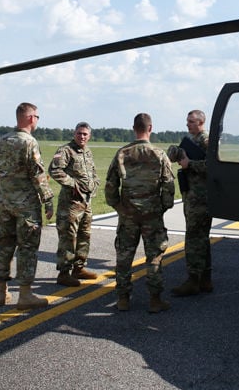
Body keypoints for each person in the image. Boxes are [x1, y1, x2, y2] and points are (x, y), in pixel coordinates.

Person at [105, 113, 176, 313]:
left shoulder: (122, 153)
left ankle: (123, 299)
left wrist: (118, 206)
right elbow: (168, 186)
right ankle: (154, 300)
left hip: (128, 214)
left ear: (134, 128)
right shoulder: (159, 154)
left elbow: (111, 185)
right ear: (150, 128)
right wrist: (162, 206)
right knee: (154, 257)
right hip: (152, 215)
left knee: (124, 257)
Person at [0, 102, 53, 310]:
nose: (37, 120)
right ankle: (25, 295)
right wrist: (48, 199)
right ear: (30, 118)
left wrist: (3, 195)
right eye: (36, 116)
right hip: (26, 206)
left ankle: (1, 292)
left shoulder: (1, 141)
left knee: (5, 246)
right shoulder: (29, 142)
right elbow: (37, 174)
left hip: (6, 203)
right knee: (27, 248)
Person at [49, 122, 100, 287]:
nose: (82, 136)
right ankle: (64, 273)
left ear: (89, 136)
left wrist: (95, 185)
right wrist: (73, 184)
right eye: (79, 133)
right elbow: (55, 170)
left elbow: (92, 173)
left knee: (85, 235)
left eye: (85, 134)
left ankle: (79, 268)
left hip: (86, 202)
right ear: (74, 134)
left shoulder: (88, 152)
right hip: (70, 203)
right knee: (68, 237)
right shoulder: (66, 150)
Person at [170, 109, 213, 296]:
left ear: (201, 123)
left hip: (201, 199)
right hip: (193, 196)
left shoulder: (206, 141)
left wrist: (190, 164)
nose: (187, 124)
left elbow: (215, 166)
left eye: (191, 121)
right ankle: (205, 280)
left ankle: (193, 280)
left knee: (194, 238)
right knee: (201, 238)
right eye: (187, 121)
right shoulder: (192, 139)